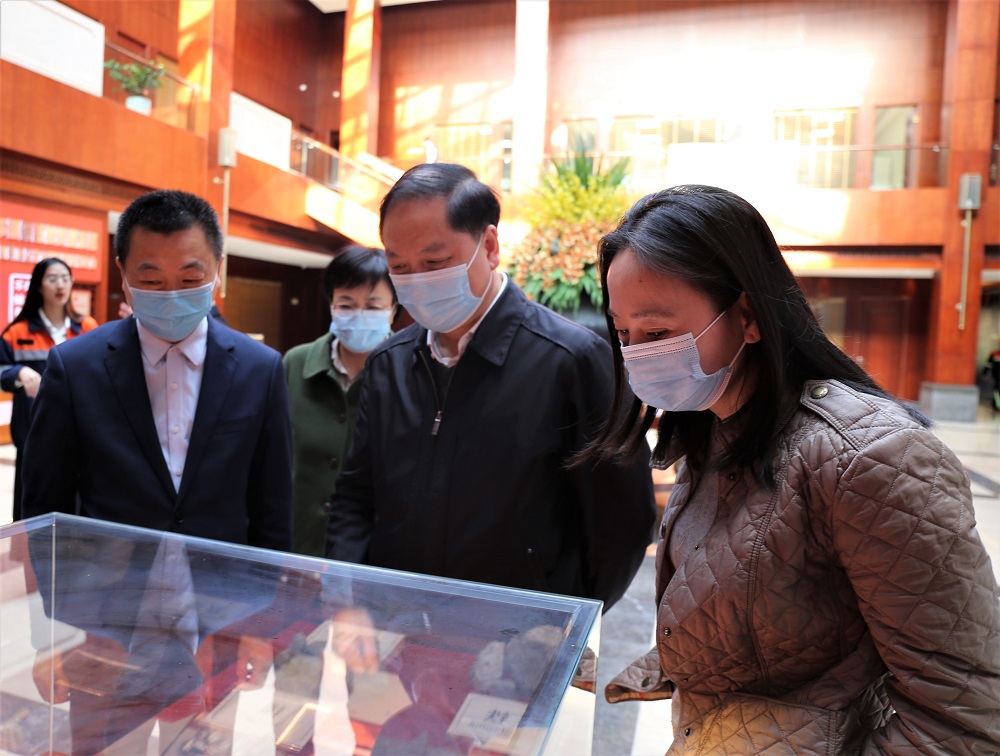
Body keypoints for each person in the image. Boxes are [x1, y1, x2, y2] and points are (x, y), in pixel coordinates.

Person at [588, 185, 1000, 752]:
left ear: (747, 316)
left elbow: (963, 718)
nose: (637, 355)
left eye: (658, 333)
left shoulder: (868, 459)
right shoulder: (713, 428)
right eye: (623, 334)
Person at [20, 190, 293, 750]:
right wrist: (52, 637)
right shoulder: (76, 366)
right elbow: (43, 512)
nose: (172, 295)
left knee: (200, 746)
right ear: (123, 275)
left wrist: (259, 627)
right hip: (104, 625)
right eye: (151, 278)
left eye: (190, 277)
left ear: (217, 270)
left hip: (216, 622)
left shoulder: (260, 369)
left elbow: (272, 512)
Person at [326, 162, 655, 611]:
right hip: (396, 624)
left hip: (520, 633)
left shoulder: (571, 360)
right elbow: (355, 496)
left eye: (434, 262)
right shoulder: (388, 363)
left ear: (490, 245)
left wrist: (563, 622)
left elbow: (622, 522)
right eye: (399, 266)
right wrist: (350, 603)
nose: (416, 280)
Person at [284, 245, 397, 556]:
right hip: (297, 547)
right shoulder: (295, 364)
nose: (359, 315)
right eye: (346, 305)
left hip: (372, 556)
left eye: (373, 307)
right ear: (331, 306)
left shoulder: (409, 373)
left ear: (393, 310)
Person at [0, 258, 98, 521]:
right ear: (39, 286)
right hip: (33, 433)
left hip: (81, 434)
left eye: (65, 278)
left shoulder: (87, 327)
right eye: (52, 279)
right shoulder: (18, 331)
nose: (60, 285)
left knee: (78, 513)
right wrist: (17, 373)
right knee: (32, 512)